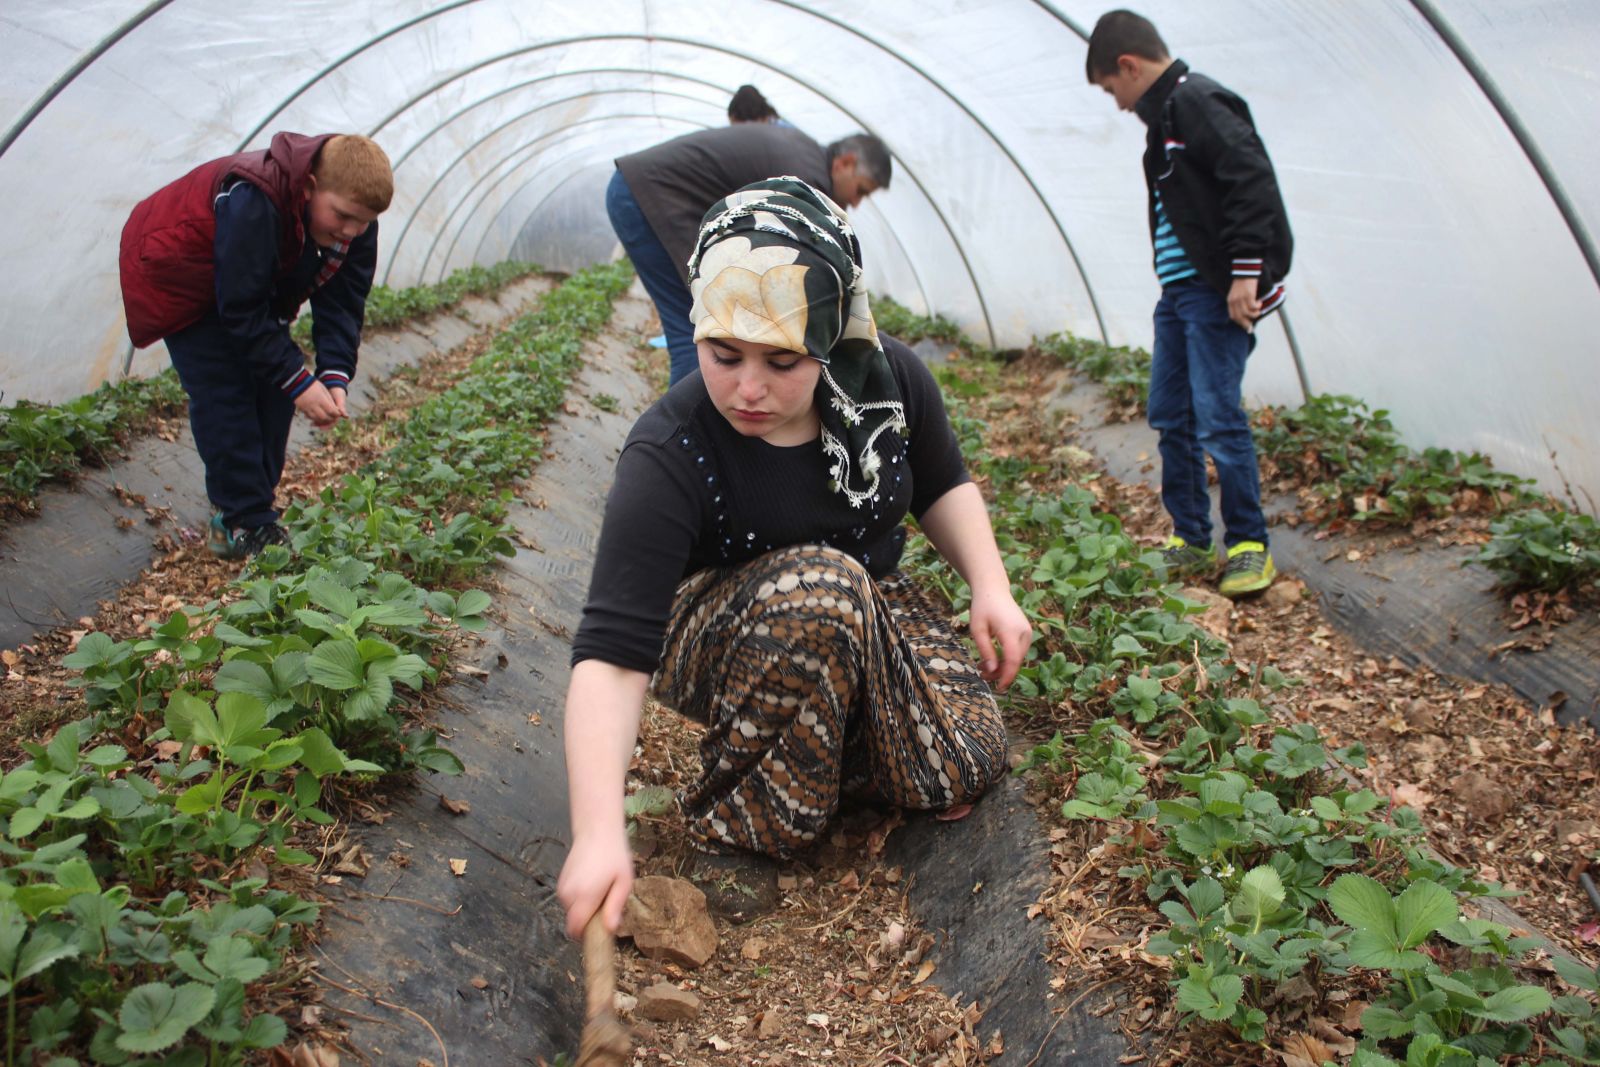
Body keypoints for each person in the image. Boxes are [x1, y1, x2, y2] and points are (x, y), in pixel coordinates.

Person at [558, 179, 1033, 939]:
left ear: (832, 337)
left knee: (964, 759)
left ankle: (826, 740)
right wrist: (597, 828)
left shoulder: (889, 383)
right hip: (714, 625)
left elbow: (943, 481)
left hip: (863, 604)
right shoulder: (670, 450)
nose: (748, 387)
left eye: (783, 360)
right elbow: (612, 658)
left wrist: (991, 585)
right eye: (723, 353)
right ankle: (745, 829)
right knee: (823, 588)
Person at [1087, 10, 1292, 597]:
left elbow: (1249, 177)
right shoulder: (1167, 120)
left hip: (1214, 291)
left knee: (1219, 417)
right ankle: (1192, 536)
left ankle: (1250, 544)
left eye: (1112, 89)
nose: (1119, 104)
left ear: (1129, 66)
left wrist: (1244, 274)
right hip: (1179, 293)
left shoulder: (1197, 101)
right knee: (1169, 412)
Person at [119, 132, 391, 558]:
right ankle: (246, 520)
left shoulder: (354, 222)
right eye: (342, 217)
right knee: (224, 389)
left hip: (246, 280)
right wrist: (301, 382)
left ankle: (245, 508)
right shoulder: (254, 197)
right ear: (310, 186)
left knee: (276, 391)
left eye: (363, 222)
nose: (351, 231)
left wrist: (334, 374)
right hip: (180, 274)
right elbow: (241, 310)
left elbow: (343, 300)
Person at [607, 125, 892, 386]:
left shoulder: (804, 156)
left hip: (646, 192)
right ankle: (688, 435)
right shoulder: (806, 179)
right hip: (645, 198)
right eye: (861, 191)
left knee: (709, 321)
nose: (855, 202)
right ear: (846, 163)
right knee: (695, 326)